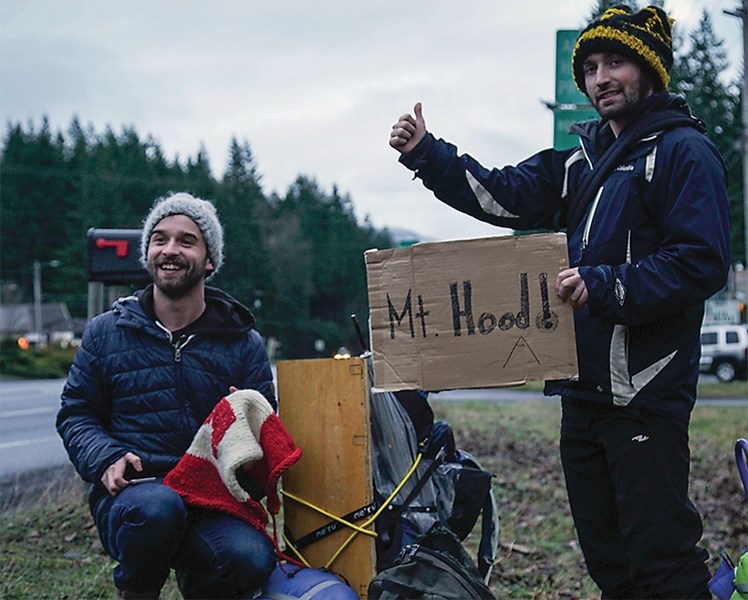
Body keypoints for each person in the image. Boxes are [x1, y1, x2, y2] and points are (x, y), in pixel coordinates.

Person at [389, 6, 730, 598]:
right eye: (591, 67)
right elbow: (505, 196)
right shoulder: (581, 161)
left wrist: (604, 284)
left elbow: (701, 262)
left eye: (615, 63)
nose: (601, 78)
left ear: (649, 72)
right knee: (609, 561)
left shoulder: (682, 152)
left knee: (663, 562)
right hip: (581, 392)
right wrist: (429, 155)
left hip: (644, 395)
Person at [56, 192, 278, 599]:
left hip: (212, 499)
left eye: (186, 241)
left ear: (209, 260)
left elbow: (266, 431)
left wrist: (243, 426)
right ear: (147, 253)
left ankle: (199, 583)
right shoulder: (106, 333)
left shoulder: (243, 343)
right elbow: (76, 414)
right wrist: (104, 456)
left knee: (251, 558)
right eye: (159, 239)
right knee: (158, 508)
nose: (170, 250)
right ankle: (138, 593)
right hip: (136, 497)